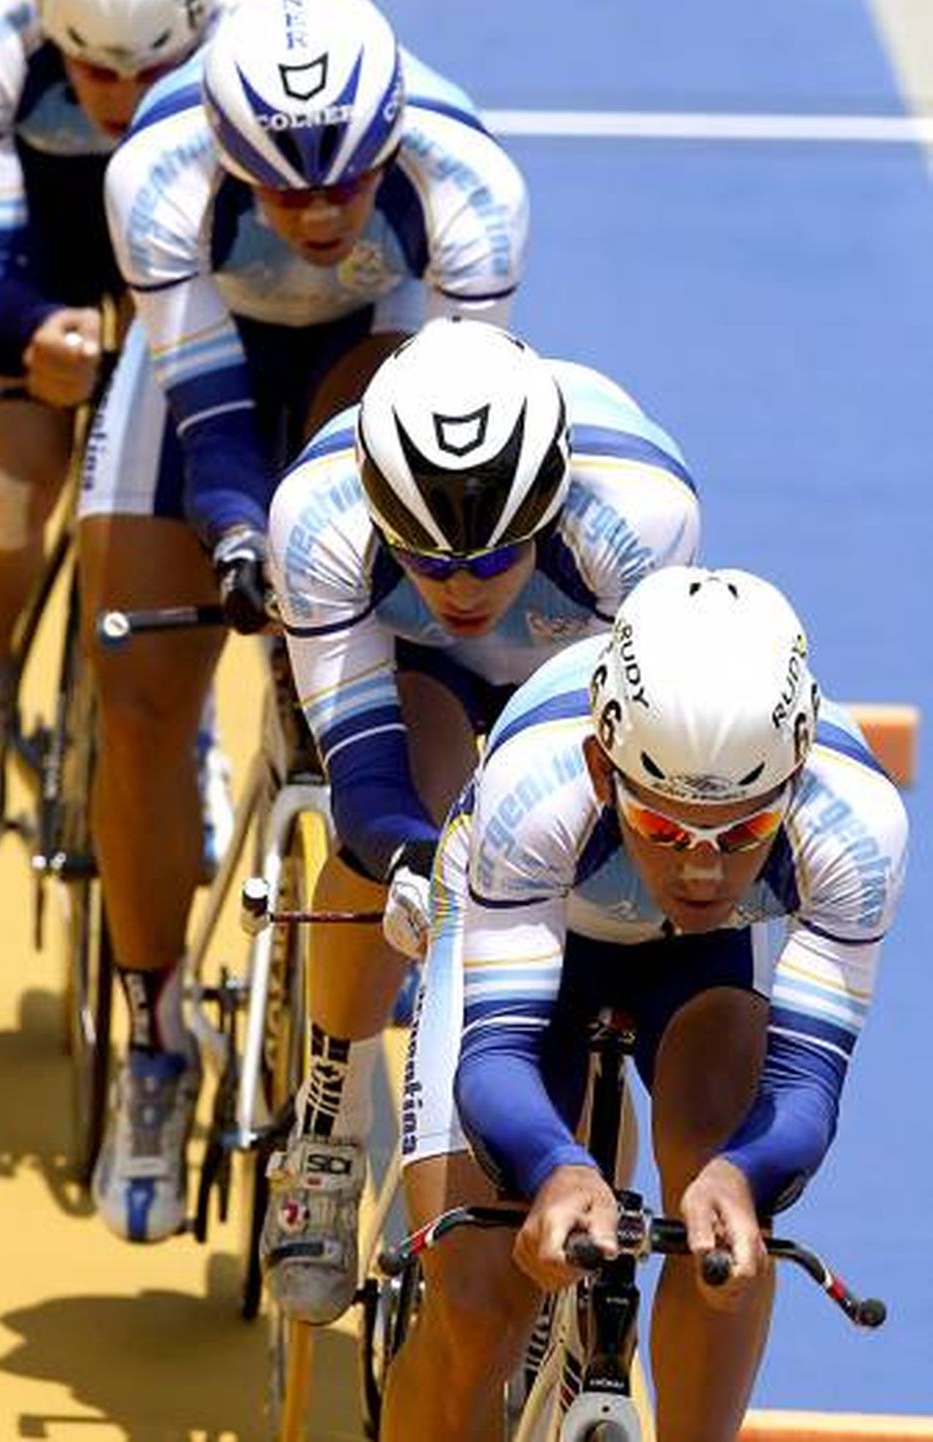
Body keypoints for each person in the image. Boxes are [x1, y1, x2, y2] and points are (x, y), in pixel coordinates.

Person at [81, 0, 530, 1242]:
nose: (323, 210)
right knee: (140, 701)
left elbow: (457, 411)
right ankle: (155, 1036)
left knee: (402, 635)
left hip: (382, 354)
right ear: (224, 152)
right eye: (283, 187)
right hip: (208, 352)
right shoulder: (159, 173)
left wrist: (359, 583)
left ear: (390, 139)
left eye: (346, 181)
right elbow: (211, 408)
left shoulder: (469, 183)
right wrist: (236, 540)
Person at [379, 565, 908, 1442]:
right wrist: (555, 1166)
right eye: (663, 829)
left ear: (797, 786)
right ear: (601, 767)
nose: (701, 868)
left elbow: (808, 1082)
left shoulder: (855, 825)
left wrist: (739, 1179)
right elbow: (498, 1055)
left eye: (742, 834)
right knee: (474, 1302)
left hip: (702, 963)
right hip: (536, 919)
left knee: (728, 1219)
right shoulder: (535, 786)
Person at [261, 315, 701, 1323]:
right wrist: (431, 863)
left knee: (591, 894)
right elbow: (368, 787)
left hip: (578, 677)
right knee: (393, 845)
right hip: (418, 675)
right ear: (381, 517)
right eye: (426, 557)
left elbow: (632, 757)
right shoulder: (319, 517)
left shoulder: (636, 518)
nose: (461, 586)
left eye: (494, 555)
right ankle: (328, 1114)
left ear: (546, 512)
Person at [0, 0, 259, 866]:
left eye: (153, 69)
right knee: (6, 495)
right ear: (42, 7)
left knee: (206, 496)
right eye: (90, 68)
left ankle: (184, 722)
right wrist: (36, 330)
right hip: (44, 247)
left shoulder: (259, 37)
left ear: (197, 18)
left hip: (190, 243)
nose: (121, 95)